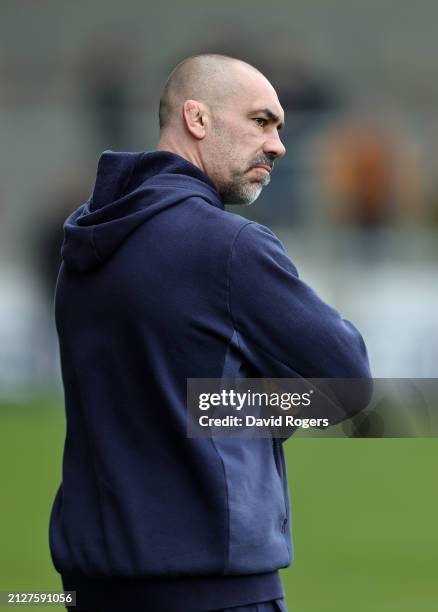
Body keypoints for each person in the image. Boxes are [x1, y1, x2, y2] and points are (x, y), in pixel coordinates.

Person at [50, 54, 371, 612]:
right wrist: (232, 408)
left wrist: (212, 404)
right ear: (197, 119)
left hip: (90, 587)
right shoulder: (230, 247)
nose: (278, 146)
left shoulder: (85, 241)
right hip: (215, 591)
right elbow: (350, 380)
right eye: (261, 121)